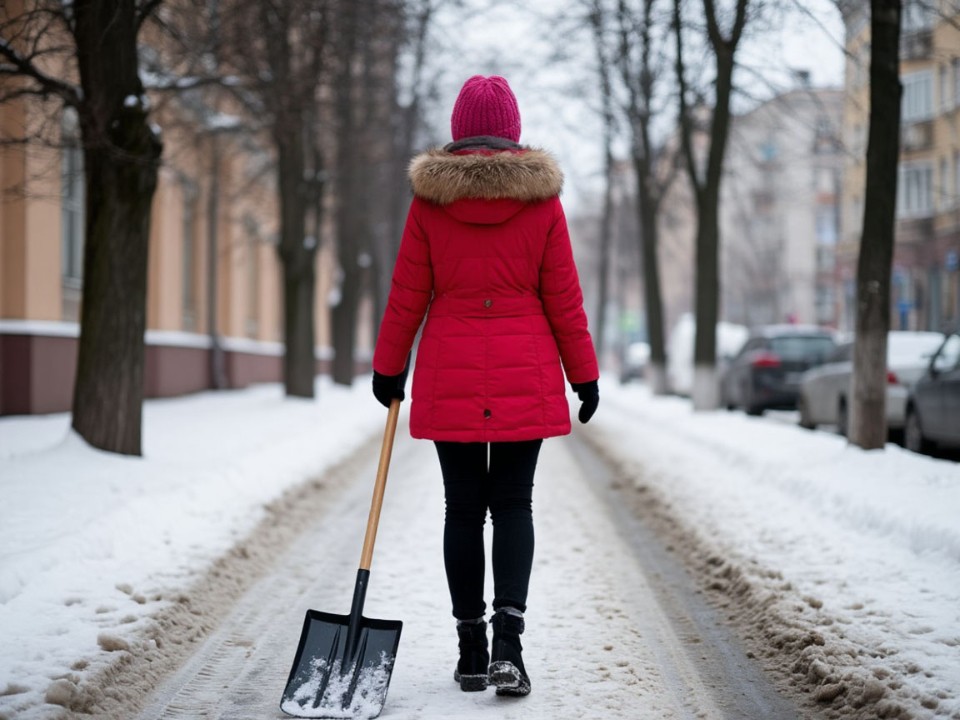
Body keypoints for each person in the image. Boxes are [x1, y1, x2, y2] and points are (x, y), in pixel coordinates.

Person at [371, 75, 599, 698]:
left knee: (463, 509)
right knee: (514, 505)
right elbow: (565, 300)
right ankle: (509, 649)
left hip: (451, 369)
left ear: (458, 130)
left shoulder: (429, 202)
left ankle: (470, 648)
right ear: (514, 131)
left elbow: (407, 295)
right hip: (525, 367)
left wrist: (389, 365)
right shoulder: (542, 202)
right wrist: (584, 374)